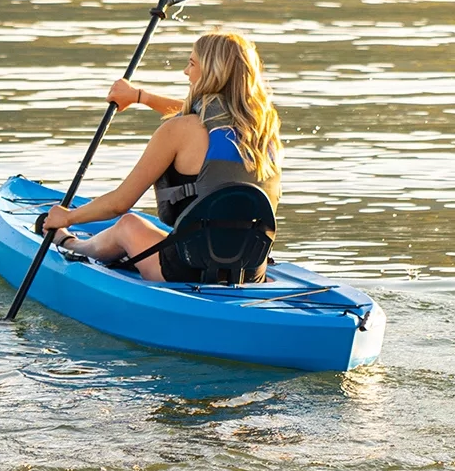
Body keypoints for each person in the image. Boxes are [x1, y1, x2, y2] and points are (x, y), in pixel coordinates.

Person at [40, 28, 281, 282]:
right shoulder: (264, 133)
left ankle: (73, 244)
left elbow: (119, 203)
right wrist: (140, 97)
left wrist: (66, 217)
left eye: (191, 63)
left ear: (212, 73)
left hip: (187, 269)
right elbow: (202, 115)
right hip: (251, 271)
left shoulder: (178, 131)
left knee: (129, 224)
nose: (186, 72)